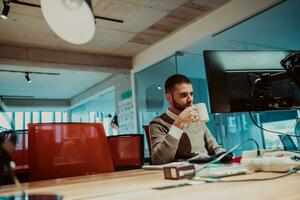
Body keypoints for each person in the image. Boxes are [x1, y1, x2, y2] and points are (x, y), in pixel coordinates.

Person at [149, 74, 225, 165]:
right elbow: (159, 160)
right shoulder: (158, 123)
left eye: (191, 94)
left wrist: (225, 155)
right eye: (183, 95)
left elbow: (215, 148)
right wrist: (178, 124)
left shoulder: (197, 117)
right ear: (169, 97)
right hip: (184, 171)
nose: (190, 99)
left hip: (207, 167)